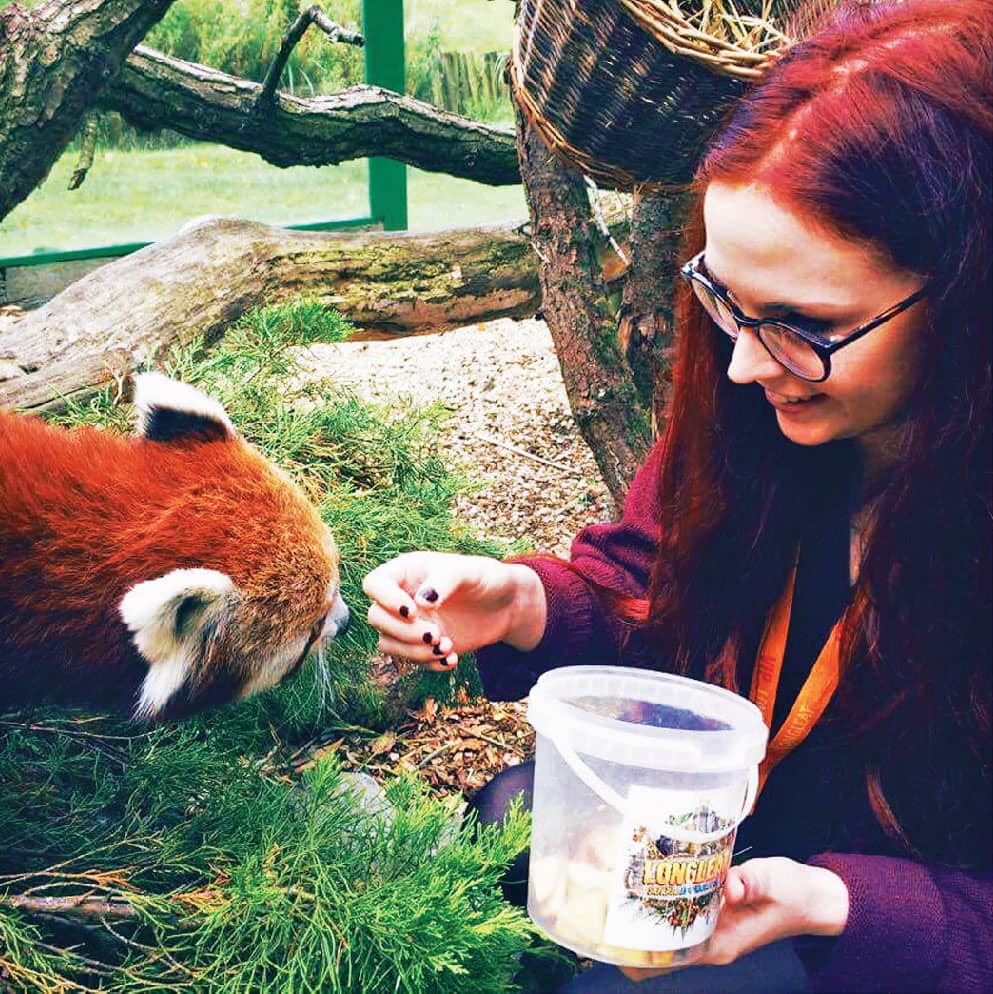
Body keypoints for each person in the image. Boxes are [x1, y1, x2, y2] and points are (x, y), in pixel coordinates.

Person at [363, 1, 992, 990]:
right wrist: (526, 605)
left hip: (913, 935)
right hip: (741, 851)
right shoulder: (769, 413)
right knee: (512, 830)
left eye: (803, 322)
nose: (742, 364)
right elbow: (651, 600)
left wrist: (844, 906)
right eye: (726, 296)